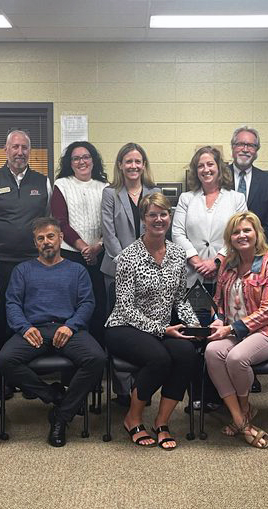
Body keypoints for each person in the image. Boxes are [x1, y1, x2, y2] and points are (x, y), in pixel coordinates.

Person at [0, 217, 106, 447]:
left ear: (61, 238)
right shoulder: (22, 270)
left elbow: (87, 303)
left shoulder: (77, 270)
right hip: (33, 329)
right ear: (35, 243)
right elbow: (12, 304)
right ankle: (54, 395)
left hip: (68, 329)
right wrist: (25, 328)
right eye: (40, 238)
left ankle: (61, 417)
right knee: (5, 361)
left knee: (96, 358)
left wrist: (71, 325)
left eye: (50, 236)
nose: (46, 242)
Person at [105, 193, 201, 450]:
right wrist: (162, 329)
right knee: (159, 358)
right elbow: (125, 307)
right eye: (152, 215)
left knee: (186, 353)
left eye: (163, 214)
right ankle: (133, 418)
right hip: (124, 326)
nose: (159, 220)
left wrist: (194, 328)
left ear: (169, 217)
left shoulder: (179, 254)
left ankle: (161, 422)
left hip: (162, 329)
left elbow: (181, 299)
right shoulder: (128, 256)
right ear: (143, 220)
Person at [205, 212, 268, 448]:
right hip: (234, 331)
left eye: (247, 230)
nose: (242, 235)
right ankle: (240, 417)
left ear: (257, 234)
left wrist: (230, 328)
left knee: (237, 357)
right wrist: (217, 320)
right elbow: (218, 302)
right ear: (230, 238)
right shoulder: (227, 265)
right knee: (212, 352)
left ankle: (244, 410)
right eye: (236, 232)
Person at [0, 129, 52, 365]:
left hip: (32, 262)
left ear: (30, 151)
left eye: (24, 147)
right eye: (15, 147)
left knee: (30, 313)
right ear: (5, 150)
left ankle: (27, 370)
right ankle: (1, 371)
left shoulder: (43, 182)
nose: (20, 152)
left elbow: (46, 218)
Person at [100, 142, 161, 405]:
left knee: (145, 328)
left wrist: (144, 263)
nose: (133, 166)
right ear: (120, 165)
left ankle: (141, 387)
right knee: (120, 326)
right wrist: (128, 262)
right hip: (116, 269)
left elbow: (159, 229)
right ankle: (123, 391)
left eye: (138, 161)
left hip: (150, 271)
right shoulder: (110, 193)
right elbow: (108, 232)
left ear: (144, 165)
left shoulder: (154, 191)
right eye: (128, 161)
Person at [51, 141, 108, 344]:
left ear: (93, 160)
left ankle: (97, 354)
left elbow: (111, 224)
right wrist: (85, 248)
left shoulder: (106, 188)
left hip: (100, 256)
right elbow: (60, 223)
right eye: (76, 158)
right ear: (70, 162)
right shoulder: (62, 185)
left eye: (86, 157)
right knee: (71, 306)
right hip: (70, 256)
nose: (81, 161)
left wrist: (97, 247)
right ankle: (71, 350)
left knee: (98, 306)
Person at [173, 145, 246, 288]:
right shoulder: (186, 198)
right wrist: (197, 263)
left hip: (227, 272)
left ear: (219, 167)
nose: (206, 169)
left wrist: (217, 262)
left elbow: (240, 234)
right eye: (200, 166)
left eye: (210, 164)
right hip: (191, 274)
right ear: (196, 171)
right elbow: (177, 234)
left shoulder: (237, 199)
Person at [228, 126, 268, 242]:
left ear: (256, 151)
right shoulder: (219, 177)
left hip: (257, 247)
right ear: (233, 147)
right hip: (222, 246)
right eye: (240, 144)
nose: (245, 149)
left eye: (251, 145)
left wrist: (256, 244)